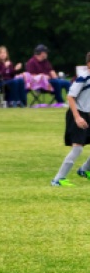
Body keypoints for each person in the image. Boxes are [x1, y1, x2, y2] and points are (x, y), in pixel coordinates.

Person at [51, 52, 90, 187]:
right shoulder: (83, 78)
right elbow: (70, 97)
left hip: (88, 114)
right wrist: (77, 117)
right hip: (77, 114)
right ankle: (58, 179)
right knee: (77, 149)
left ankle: (84, 169)